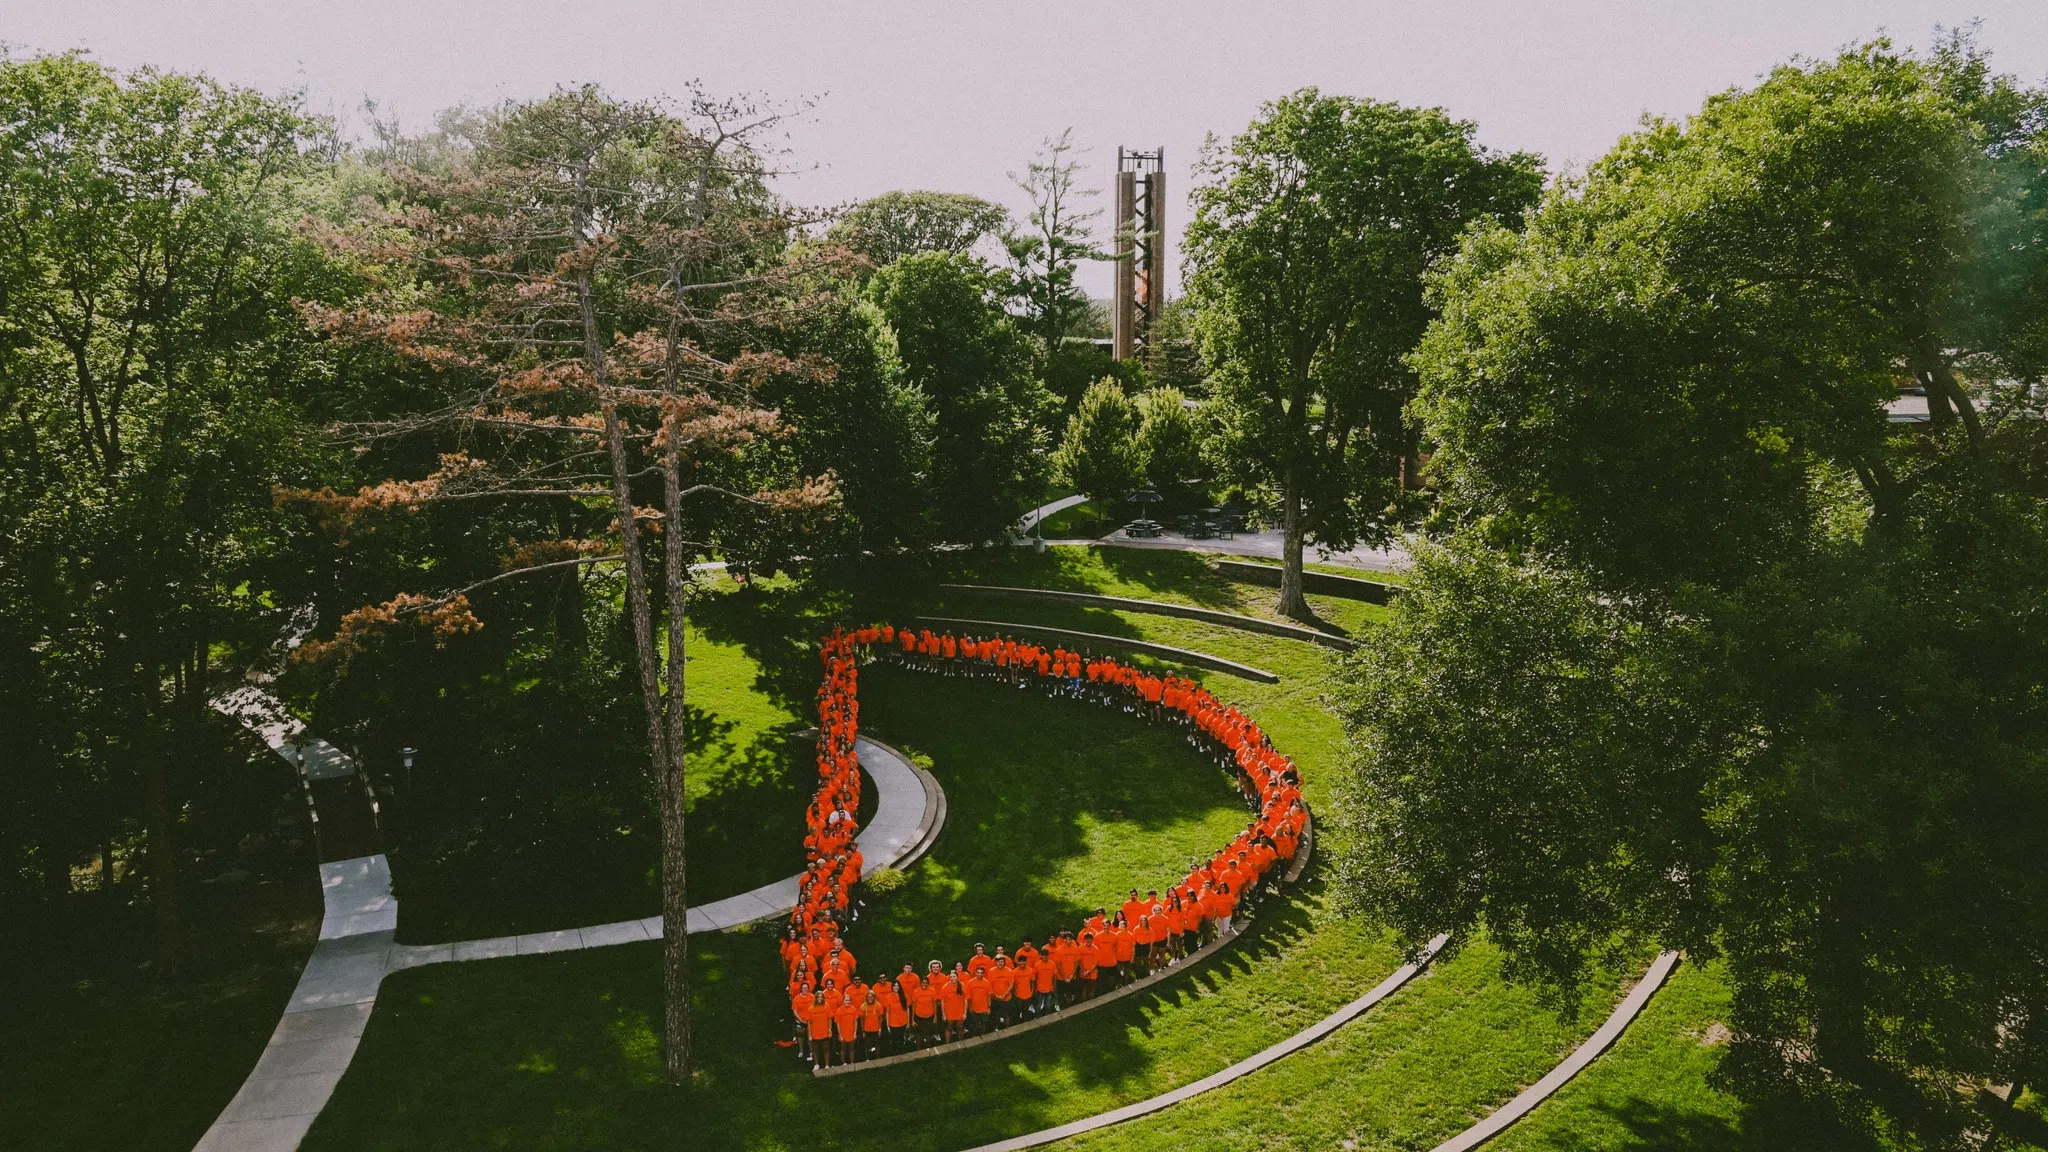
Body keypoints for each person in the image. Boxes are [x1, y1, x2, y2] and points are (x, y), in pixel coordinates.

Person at [832, 990, 861, 1067]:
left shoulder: (854, 1009)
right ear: (843, 1001)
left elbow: (855, 1022)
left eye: (849, 1000)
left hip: (851, 1031)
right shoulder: (839, 1011)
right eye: (846, 1000)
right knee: (843, 1048)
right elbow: (837, 1023)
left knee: (852, 1048)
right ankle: (843, 1062)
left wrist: (855, 1032)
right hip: (843, 1032)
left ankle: (852, 1062)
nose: (847, 1001)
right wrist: (840, 1035)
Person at [806, 990, 833, 1067]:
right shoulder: (811, 1008)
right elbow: (809, 1023)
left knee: (826, 1050)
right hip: (815, 1033)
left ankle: (827, 1064)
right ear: (815, 998)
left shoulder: (827, 1006)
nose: (820, 998)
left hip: (825, 1032)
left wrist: (829, 1030)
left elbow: (829, 1019)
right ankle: (816, 1064)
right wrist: (810, 1035)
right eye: (818, 997)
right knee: (815, 1050)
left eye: (821, 997)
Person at [966, 965, 993, 1034]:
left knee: (984, 1023)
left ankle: (982, 1034)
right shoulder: (970, 983)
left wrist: (989, 1007)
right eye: (978, 972)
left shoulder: (987, 983)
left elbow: (989, 996)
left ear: (983, 974)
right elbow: (968, 997)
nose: (979, 974)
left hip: (984, 1008)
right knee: (975, 1023)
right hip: (974, 1008)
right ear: (975, 973)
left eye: (981, 973)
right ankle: (975, 1035)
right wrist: (970, 1007)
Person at [860, 989, 885, 1062]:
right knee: (867, 1045)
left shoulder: (878, 1005)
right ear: (866, 997)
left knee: (877, 1045)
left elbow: (881, 1018)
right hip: (867, 1030)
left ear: (874, 997)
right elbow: (861, 1020)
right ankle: (867, 1059)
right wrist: (863, 1031)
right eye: (868, 997)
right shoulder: (862, 1007)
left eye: (871, 997)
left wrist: (880, 1029)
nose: (870, 998)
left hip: (876, 1029)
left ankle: (877, 1059)